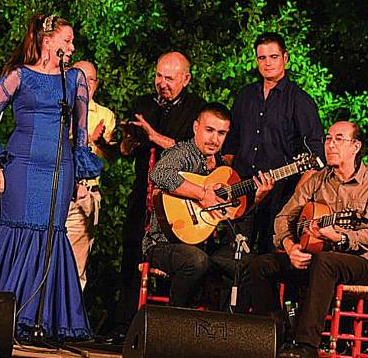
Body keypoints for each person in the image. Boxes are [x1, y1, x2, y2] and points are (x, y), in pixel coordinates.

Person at [0, 13, 101, 340]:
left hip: (58, 171)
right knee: (17, 232)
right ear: (48, 42)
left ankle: (40, 319)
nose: (72, 46)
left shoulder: (74, 78)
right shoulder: (19, 76)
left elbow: (81, 131)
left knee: (51, 234)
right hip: (21, 167)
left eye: (73, 41)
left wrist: (78, 176)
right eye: (66, 40)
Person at [250, 121, 368, 358]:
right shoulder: (317, 179)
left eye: (338, 139)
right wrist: (289, 245)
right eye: (328, 139)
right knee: (258, 265)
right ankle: (275, 335)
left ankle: (307, 346)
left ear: (355, 146)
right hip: (316, 260)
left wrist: (340, 236)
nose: (330, 145)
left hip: (361, 262)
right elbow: (284, 216)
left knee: (325, 261)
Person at [108, 51, 205, 341]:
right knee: (130, 256)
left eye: (170, 78)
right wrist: (122, 140)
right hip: (143, 196)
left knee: (181, 263)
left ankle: (165, 332)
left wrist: (153, 136)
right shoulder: (143, 105)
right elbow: (127, 151)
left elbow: (191, 152)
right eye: (159, 76)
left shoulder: (196, 111)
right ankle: (124, 329)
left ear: (186, 79)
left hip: (178, 202)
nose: (162, 83)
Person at [145, 103, 273, 308]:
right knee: (196, 262)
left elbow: (233, 215)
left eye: (221, 133)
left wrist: (257, 198)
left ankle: (224, 329)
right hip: (164, 244)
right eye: (209, 130)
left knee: (247, 266)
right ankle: (174, 323)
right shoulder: (183, 153)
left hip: (206, 246)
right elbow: (159, 174)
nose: (215, 139)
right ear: (196, 127)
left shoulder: (224, 170)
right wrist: (203, 193)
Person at [222, 32, 325, 255]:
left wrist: (294, 201)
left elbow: (316, 155)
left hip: (280, 193)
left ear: (285, 58)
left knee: (266, 259)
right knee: (231, 257)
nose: (267, 63)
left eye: (273, 57)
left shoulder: (301, 101)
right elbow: (230, 143)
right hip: (240, 190)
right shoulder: (245, 95)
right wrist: (225, 178)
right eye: (262, 58)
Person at [66, 60, 117, 291]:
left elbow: (109, 159)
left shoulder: (105, 116)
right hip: (54, 192)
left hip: (84, 195)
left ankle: (68, 322)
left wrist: (99, 143)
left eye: (91, 79)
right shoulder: (55, 108)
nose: (86, 84)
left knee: (75, 266)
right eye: (80, 77)